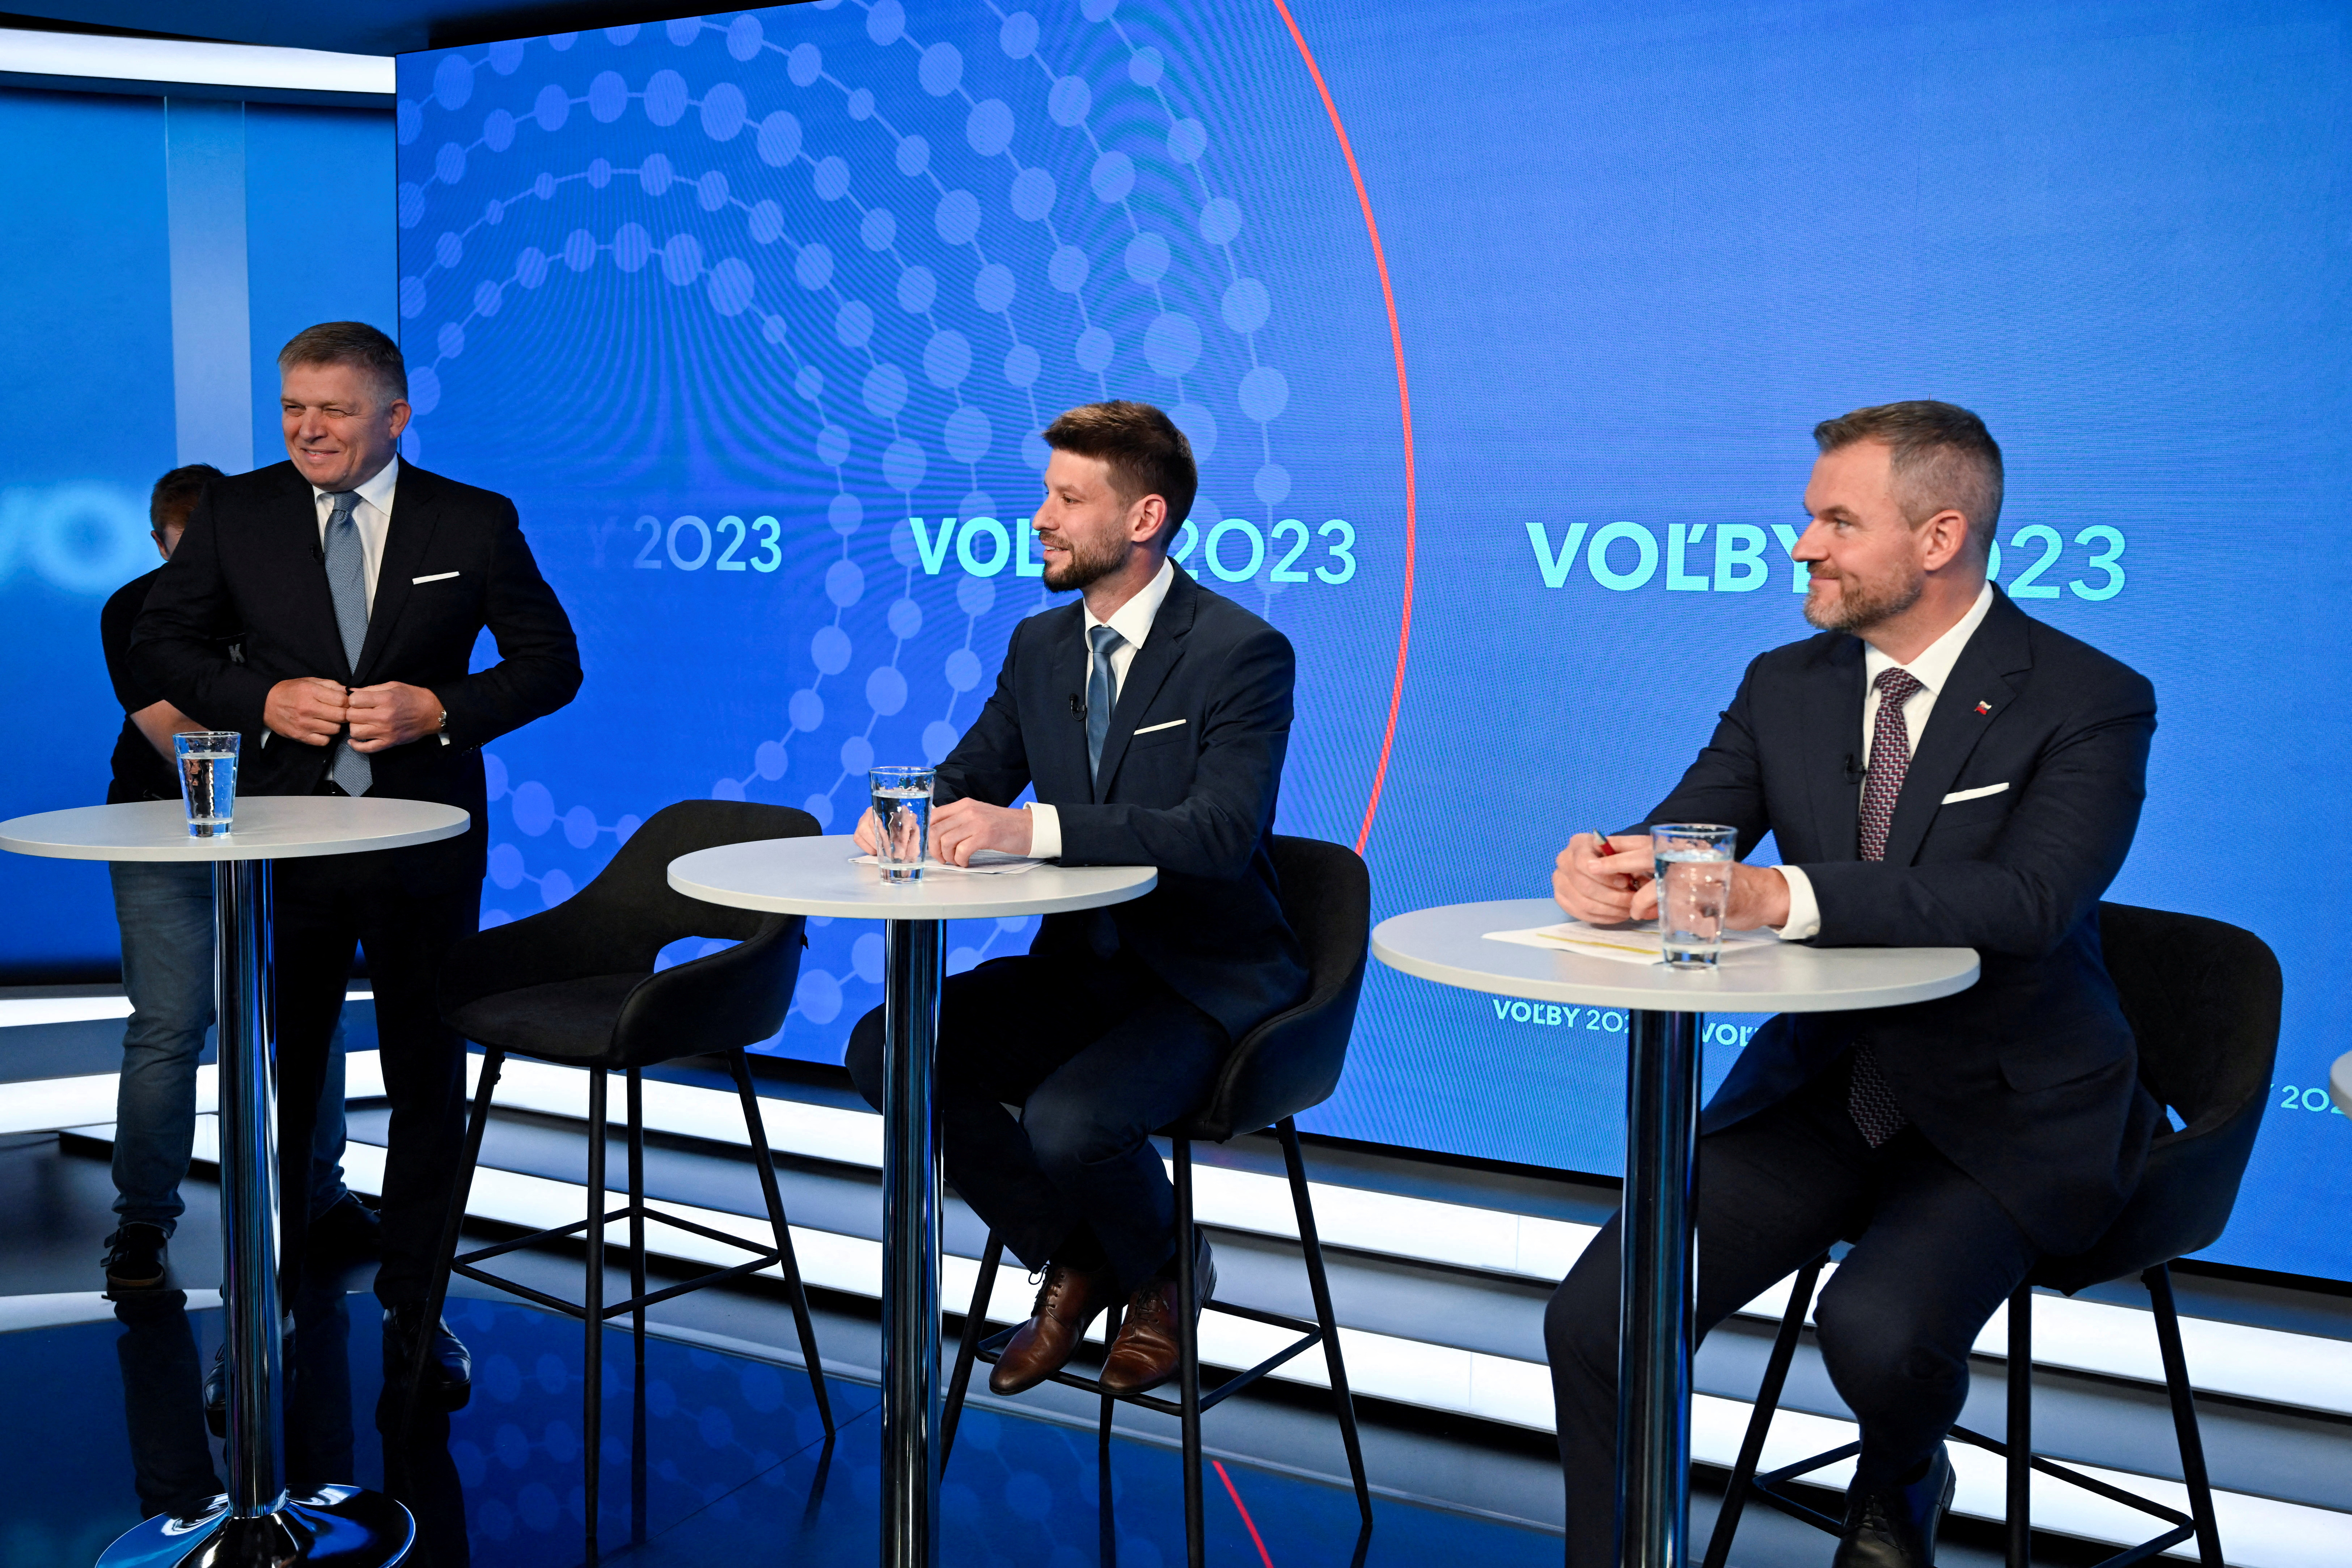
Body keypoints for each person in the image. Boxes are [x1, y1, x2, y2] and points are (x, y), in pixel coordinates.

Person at [1544, 402, 2157, 1568]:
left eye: (1835, 519)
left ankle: (1904, 1472)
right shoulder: (1787, 681)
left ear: (1937, 538)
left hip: (2009, 1103)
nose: (1801, 544)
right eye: (1806, 514)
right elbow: (1699, 821)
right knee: (1599, 1321)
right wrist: (1618, 861)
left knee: (1873, 1330)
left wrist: (1783, 897)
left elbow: (2030, 902)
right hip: (1828, 1082)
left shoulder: (2088, 697)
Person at [134, 322, 583, 1407]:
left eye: (332, 408)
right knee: (276, 1077)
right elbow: (159, 648)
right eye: (292, 406)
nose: (307, 428)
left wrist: (443, 709)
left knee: (429, 1080)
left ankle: (414, 1313)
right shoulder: (239, 513)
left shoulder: (471, 520)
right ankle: (266, 1306)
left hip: (425, 847)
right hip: (282, 846)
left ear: (395, 413)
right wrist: (257, 700)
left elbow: (551, 665)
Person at [843, 401, 1308, 1397]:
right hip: (1083, 967)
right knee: (887, 1048)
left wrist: (1032, 829)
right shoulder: (1039, 645)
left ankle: (1167, 1271)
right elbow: (973, 772)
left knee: (1066, 1123)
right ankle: (1091, 1256)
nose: (1041, 516)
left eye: (1067, 497)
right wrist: (903, 812)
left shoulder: (1241, 651)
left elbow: (1220, 834)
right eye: (1044, 493)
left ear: (1142, 519)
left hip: (1203, 977)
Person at [99, 466, 376, 1294]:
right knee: (171, 1025)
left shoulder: (290, 598)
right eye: (187, 556)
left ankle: (319, 1198)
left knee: (312, 1017)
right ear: (159, 548)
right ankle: (143, 1222)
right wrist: (279, 733)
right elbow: (184, 746)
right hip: (160, 829)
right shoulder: (134, 609)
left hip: (292, 828)